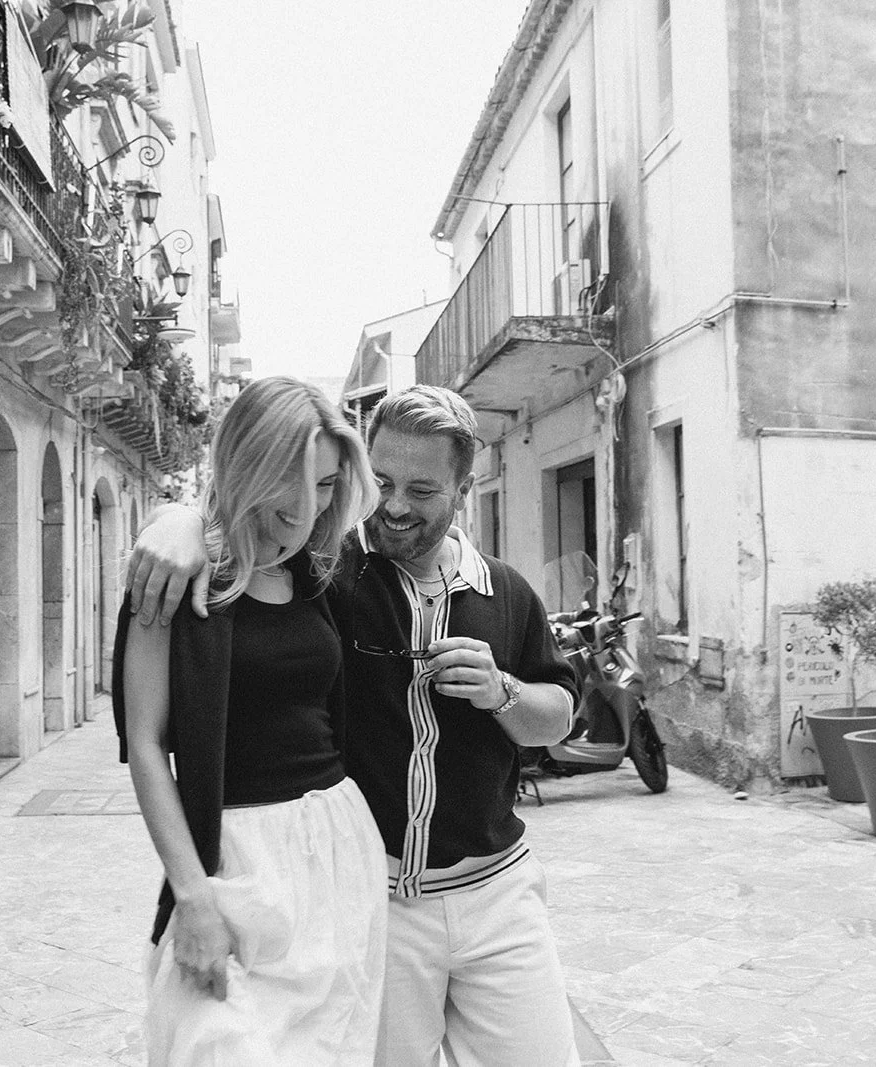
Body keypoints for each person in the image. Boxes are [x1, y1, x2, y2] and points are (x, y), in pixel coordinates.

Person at [127, 385, 582, 1066]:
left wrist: (502, 689)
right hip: (382, 897)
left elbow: (559, 715)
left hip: (497, 890)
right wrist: (173, 519)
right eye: (385, 482)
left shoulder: (507, 591)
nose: (395, 506)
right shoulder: (330, 572)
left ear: (465, 486)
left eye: (422, 489)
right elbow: (250, 523)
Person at [112, 376, 388, 1065]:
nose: (305, 510)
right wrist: (192, 895)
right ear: (247, 466)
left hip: (334, 858)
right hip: (231, 863)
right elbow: (146, 746)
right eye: (289, 484)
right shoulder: (176, 575)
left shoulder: (319, 574)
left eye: (325, 485)